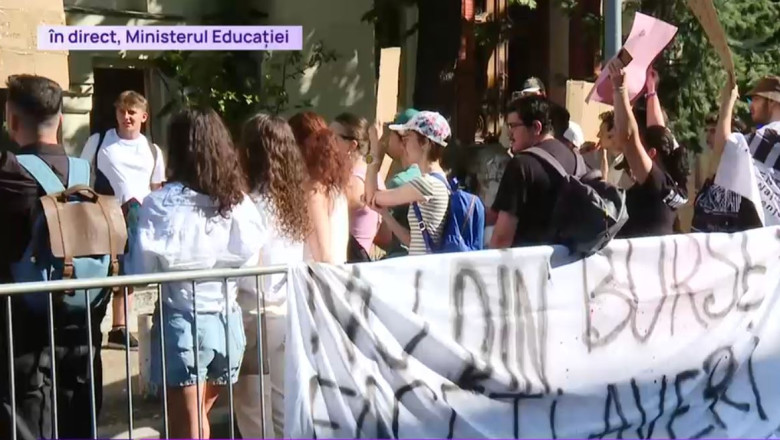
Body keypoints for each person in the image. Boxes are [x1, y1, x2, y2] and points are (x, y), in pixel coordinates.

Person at [126, 108, 265, 439]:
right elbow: (251, 263)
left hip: (183, 320)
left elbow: (142, 271)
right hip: (226, 319)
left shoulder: (160, 204)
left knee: (188, 426)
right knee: (197, 419)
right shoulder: (239, 203)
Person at [0, 74, 104, 439]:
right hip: (83, 323)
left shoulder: (8, 176)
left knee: (27, 422)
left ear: (11, 121)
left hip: (22, 333)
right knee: (80, 421)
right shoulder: (89, 175)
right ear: (60, 120)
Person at [233, 114, 311, 439]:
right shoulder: (295, 204)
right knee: (281, 409)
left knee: (253, 413)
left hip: (254, 315)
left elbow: (241, 264)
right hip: (287, 312)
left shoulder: (247, 206)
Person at [80, 90, 166, 349]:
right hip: (105, 213)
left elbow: (157, 187)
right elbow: (83, 176)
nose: (126, 116)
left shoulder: (152, 150)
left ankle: (120, 326)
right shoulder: (98, 141)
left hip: (140, 216)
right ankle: (101, 324)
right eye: (122, 111)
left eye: (132, 112)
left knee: (129, 272)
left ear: (144, 116)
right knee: (108, 270)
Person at [606, 58, 689, 238]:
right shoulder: (674, 183)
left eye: (641, 147)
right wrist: (651, 91)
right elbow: (658, 132)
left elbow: (628, 139)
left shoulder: (655, 184)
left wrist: (619, 88)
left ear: (651, 154)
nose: (634, 152)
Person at [489, 95, 583, 249]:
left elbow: (501, 239)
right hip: (571, 265)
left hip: (527, 268)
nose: (509, 133)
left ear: (536, 127)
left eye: (513, 126)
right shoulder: (576, 159)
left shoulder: (521, 164)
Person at [365, 111, 452, 256]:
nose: (403, 145)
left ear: (425, 143)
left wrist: (374, 148)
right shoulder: (438, 181)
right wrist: (385, 214)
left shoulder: (426, 184)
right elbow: (413, 241)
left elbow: (371, 196)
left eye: (408, 138)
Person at [708, 74, 780, 228]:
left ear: (772, 101)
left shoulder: (766, 138)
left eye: (755, 99)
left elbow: (724, 148)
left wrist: (728, 102)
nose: (750, 106)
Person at [289, 111, 351, 264]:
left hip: (317, 280)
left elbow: (323, 255)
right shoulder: (334, 186)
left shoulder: (314, 190)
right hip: (334, 276)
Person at [331, 112, 385, 260]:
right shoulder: (371, 174)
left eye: (333, 137)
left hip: (349, 261)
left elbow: (326, 210)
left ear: (352, 145)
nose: (327, 143)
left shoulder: (355, 181)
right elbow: (385, 236)